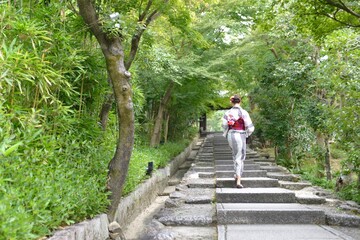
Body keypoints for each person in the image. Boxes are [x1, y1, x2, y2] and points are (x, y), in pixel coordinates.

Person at [222, 95, 255, 188]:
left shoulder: (228, 113)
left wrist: (226, 134)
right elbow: (250, 127)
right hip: (240, 135)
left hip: (231, 135)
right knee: (240, 157)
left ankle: (236, 175)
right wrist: (247, 134)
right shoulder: (243, 112)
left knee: (235, 155)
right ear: (240, 102)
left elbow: (224, 126)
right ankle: (238, 181)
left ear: (231, 102)